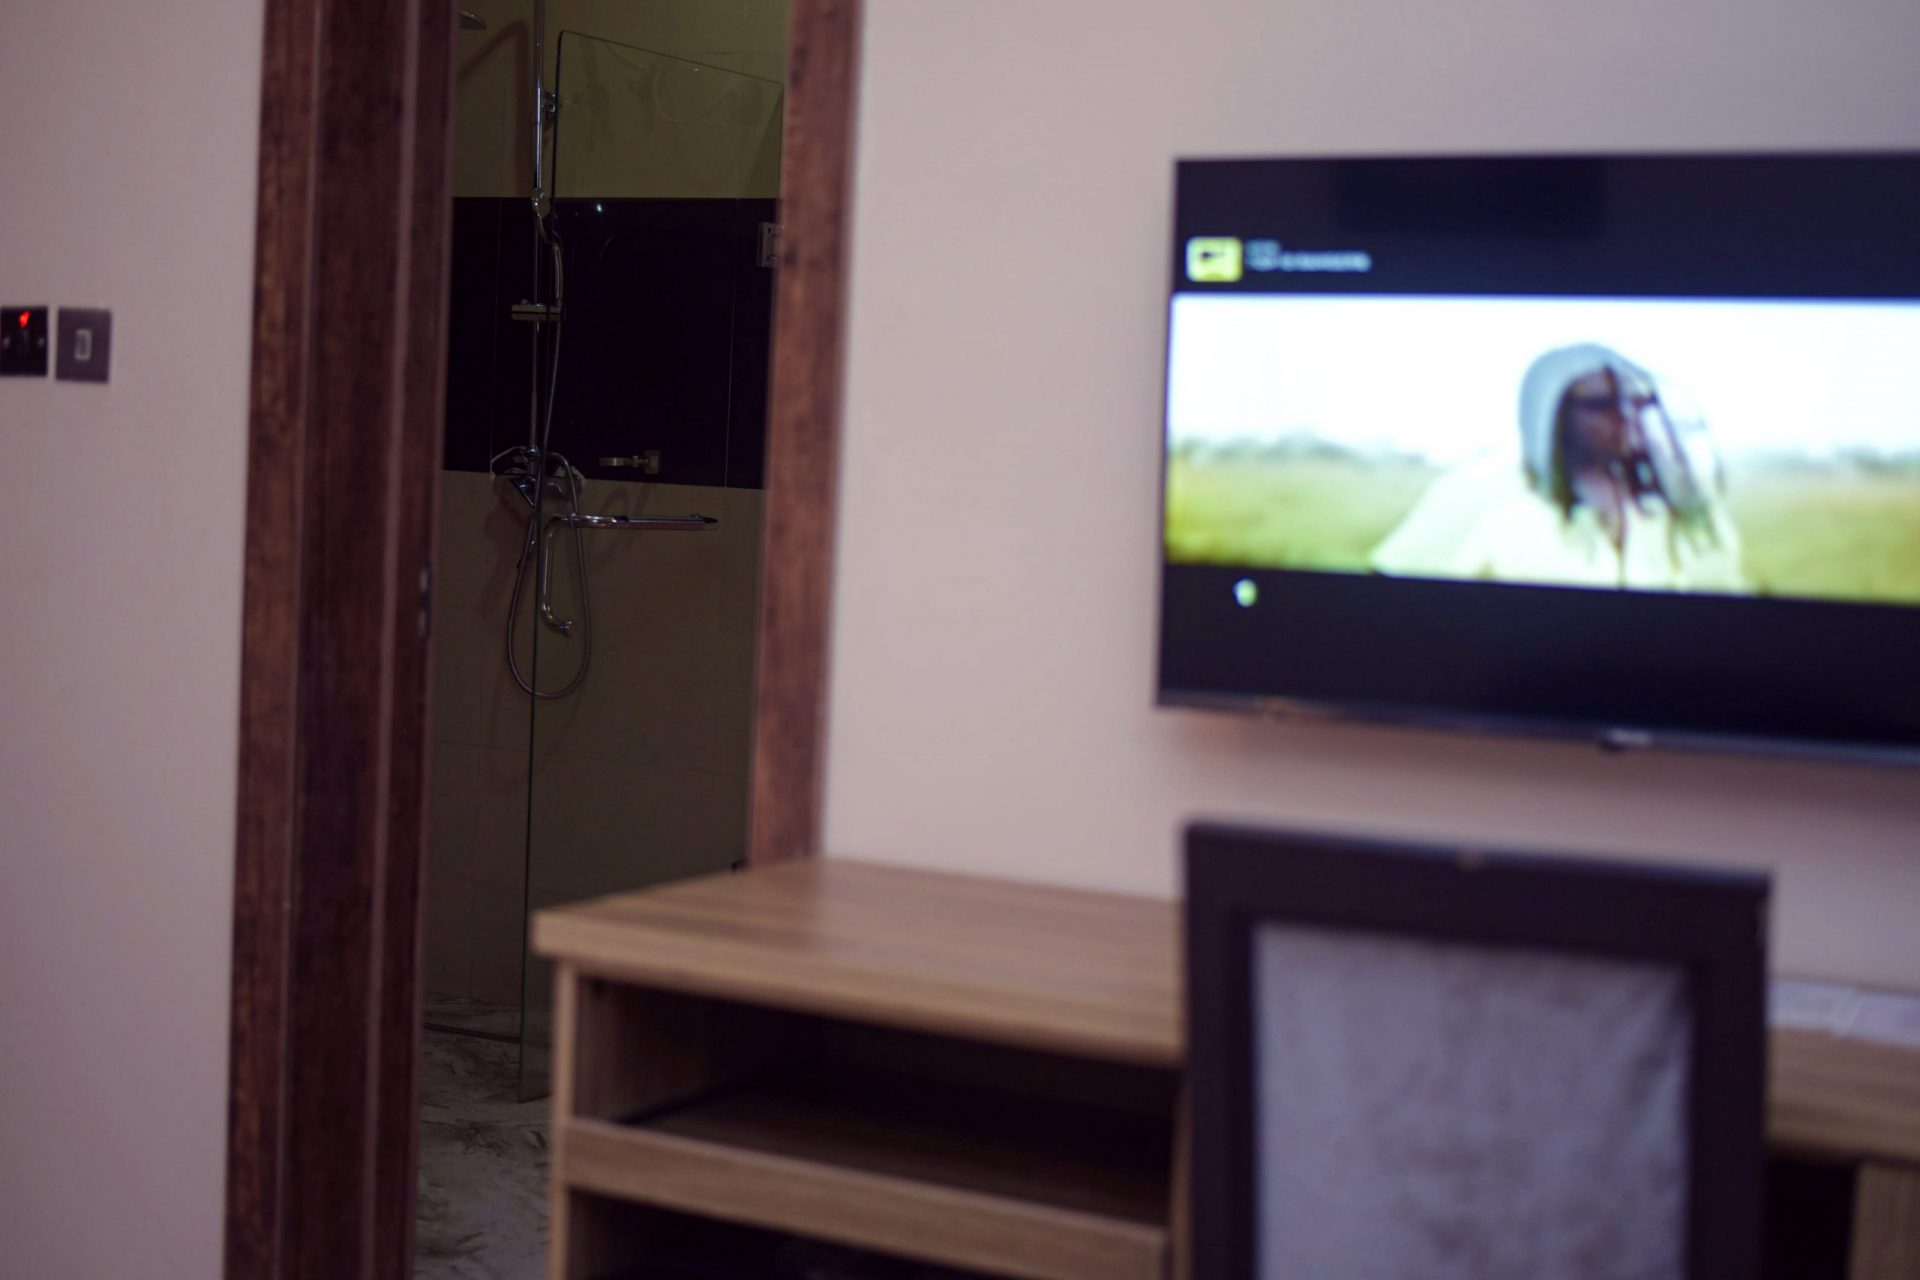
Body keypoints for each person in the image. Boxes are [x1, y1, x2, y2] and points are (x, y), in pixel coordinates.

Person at [1369, 343, 1745, 592]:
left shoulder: (1676, 504)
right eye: (1602, 404)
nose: (1626, 417)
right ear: (1554, 414)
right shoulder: (1479, 491)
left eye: (1638, 403)